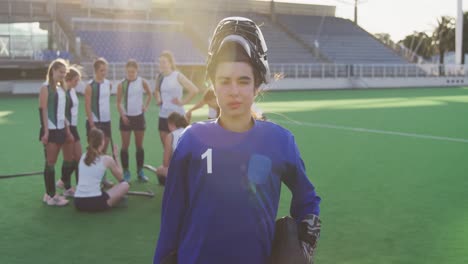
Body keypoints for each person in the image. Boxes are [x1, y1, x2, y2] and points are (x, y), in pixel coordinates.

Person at [154, 17, 321, 264]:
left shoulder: (280, 141)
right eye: (225, 81)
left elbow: (307, 199)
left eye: (243, 81)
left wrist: (304, 242)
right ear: (213, 86)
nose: (234, 90)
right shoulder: (191, 140)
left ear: (256, 87)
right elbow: (171, 216)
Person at [39, 58, 73, 206]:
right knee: (50, 163)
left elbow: (61, 113)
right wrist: (46, 132)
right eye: (61, 72)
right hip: (51, 130)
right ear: (53, 70)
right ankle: (51, 196)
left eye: (64, 73)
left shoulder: (61, 88)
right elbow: (43, 110)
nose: (63, 75)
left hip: (60, 129)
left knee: (57, 161)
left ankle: (49, 194)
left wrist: (67, 129)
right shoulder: (45, 87)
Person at [74, 128, 129, 212]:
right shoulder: (107, 159)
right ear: (102, 142)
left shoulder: (83, 156)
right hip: (96, 203)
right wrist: (116, 157)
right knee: (125, 185)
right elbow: (121, 178)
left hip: (78, 202)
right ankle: (114, 201)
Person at [153, 50, 199, 149]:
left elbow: (194, 90)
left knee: (181, 147)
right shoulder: (159, 77)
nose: (161, 64)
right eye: (160, 62)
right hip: (163, 115)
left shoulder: (177, 76)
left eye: (164, 62)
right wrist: (158, 99)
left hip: (178, 116)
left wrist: (182, 102)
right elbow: (156, 91)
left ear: (170, 63)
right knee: (166, 148)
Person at [116, 59, 152, 182]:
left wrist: (145, 106)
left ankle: (140, 172)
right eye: (128, 72)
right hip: (126, 118)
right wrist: (123, 115)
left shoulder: (142, 82)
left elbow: (149, 94)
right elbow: (118, 102)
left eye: (133, 72)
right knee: (125, 146)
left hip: (139, 117)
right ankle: (126, 172)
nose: (131, 74)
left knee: (139, 146)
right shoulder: (122, 84)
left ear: (137, 71)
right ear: (126, 71)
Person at [84, 57, 114, 188]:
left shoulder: (109, 84)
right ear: (95, 71)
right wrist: (92, 124)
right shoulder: (90, 87)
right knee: (93, 151)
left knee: (104, 151)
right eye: (102, 70)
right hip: (94, 123)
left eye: (105, 70)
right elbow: (87, 106)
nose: (104, 73)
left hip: (106, 122)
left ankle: (103, 179)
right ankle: (92, 180)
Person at [56, 65, 83, 196]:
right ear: (69, 79)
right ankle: (67, 186)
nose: (77, 83)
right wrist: (67, 130)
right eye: (76, 80)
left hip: (74, 126)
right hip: (68, 128)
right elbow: (62, 112)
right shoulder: (64, 91)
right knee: (71, 158)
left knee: (78, 157)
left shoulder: (72, 90)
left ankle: (66, 182)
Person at [155, 112, 189, 185]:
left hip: (183, 172)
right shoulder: (190, 131)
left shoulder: (171, 136)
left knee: (159, 170)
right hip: (196, 170)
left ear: (171, 124)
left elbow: (166, 163)